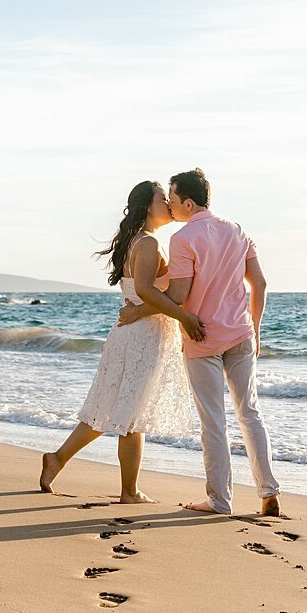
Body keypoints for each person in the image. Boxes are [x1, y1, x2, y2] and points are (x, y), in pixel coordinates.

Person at [118, 168, 281, 517]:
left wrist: (139, 311)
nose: (171, 206)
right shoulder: (237, 230)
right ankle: (268, 492)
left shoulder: (184, 239)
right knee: (250, 413)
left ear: (188, 203)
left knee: (213, 422)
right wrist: (255, 327)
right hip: (240, 335)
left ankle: (220, 501)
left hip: (201, 338)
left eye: (173, 200)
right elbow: (260, 285)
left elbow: (178, 294)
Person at [39, 180, 204, 503]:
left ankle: (57, 459)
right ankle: (129, 492)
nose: (168, 205)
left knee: (114, 409)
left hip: (132, 334)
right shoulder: (148, 244)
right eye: (162, 199)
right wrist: (180, 317)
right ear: (147, 207)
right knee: (130, 415)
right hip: (142, 335)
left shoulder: (140, 241)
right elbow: (144, 289)